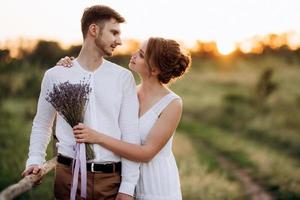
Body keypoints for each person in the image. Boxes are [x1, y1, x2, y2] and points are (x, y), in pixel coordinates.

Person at [21, 5, 140, 200]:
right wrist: (35, 160)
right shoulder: (56, 75)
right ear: (94, 30)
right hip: (67, 178)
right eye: (114, 32)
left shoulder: (123, 78)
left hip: (111, 180)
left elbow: (130, 134)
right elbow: (42, 124)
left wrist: (127, 187)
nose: (119, 41)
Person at [57, 37, 191, 200]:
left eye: (141, 55)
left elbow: (146, 153)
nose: (133, 55)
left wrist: (97, 137)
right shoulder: (128, 92)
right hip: (123, 180)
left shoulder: (172, 103)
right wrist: (71, 66)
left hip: (155, 184)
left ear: (154, 69)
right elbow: (93, 93)